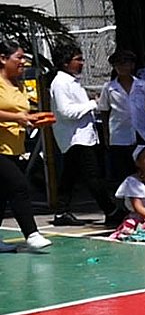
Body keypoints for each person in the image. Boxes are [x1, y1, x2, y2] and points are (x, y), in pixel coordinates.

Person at [48, 45, 117, 226]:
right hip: (75, 137)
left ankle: (61, 211)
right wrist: (93, 104)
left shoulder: (73, 82)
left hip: (84, 135)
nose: (82, 63)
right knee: (93, 175)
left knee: (69, 175)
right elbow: (66, 112)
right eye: (77, 59)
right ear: (65, 63)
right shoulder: (61, 83)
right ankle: (110, 209)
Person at [0, 40, 52, 253]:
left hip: (14, 146)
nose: (23, 62)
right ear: (3, 59)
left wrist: (32, 120)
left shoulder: (18, 85)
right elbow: (14, 115)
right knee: (19, 185)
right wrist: (18, 118)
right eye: (19, 57)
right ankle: (32, 234)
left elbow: (21, 114)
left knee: (3, 193)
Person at [97, 49, 145, 181]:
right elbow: (104, 111)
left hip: (142, 133)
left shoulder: (142, 85)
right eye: (118, 64)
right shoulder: (109, 88)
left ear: (132, 65)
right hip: (119, 134)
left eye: (125, 63)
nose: (122, 67)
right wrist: (106, 134)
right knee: (123, 170)